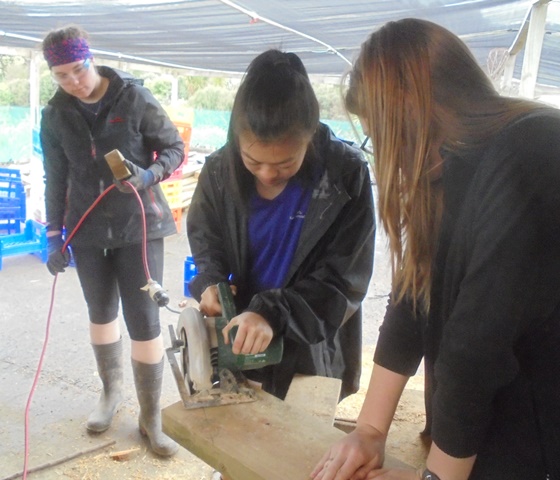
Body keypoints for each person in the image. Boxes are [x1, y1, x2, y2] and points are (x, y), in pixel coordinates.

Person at [312, 18, 560, 480]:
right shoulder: (455, 167)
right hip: (498, 433)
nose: (389, 156)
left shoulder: (536, 150)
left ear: (413, 112)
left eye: (384, 135)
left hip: (556, 439)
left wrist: (436, 479)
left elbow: (476, 347)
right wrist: (370, 429)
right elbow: (413, 297)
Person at [186, 49, 376, 402]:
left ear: (310, 135)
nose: (268, 174)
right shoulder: (219, 171)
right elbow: (206, 240)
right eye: (252, 161)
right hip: (238, 340)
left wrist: (273, 314)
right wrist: (211, 281)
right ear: (237, 138)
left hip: (310, 345)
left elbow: (344, 281)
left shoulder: (345, 175)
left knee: (303, 435)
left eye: (285, 164)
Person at [40, 25, 184, 456]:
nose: (73, 81)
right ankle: (110, 392)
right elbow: (55, 177)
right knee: (100, 312)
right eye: (61, 75)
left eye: (78, 69)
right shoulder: (55, 114)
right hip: (85, 229)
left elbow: (174, 148)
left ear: (91, 59)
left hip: (138, 227)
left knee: (144, 320)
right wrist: (54, 236)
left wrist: (149, 175)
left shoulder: (133, 97)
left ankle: (151, 415)